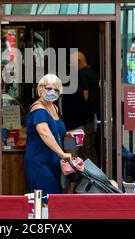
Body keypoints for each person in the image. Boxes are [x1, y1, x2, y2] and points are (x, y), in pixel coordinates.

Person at [24, 74, 78, 202]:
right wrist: (62, 154)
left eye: (56, 90)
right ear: (41, 89)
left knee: (54, 198)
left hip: (54, 162)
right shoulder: (38, 109)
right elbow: (44, 132)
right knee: (46, 200)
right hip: (39, 162)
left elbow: (55, 132)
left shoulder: (54, 108)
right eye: (49, 88)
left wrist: (70, 135)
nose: (52, 92)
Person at [63, 51, 99, 166]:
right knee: (88, 151)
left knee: (83, 153)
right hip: (88, 120)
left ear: (78, 61)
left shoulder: (82, 75)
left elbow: (85, 97)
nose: (70, 66)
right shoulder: (93, 73)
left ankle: (90, 180)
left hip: (82, 123)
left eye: (71, 63)